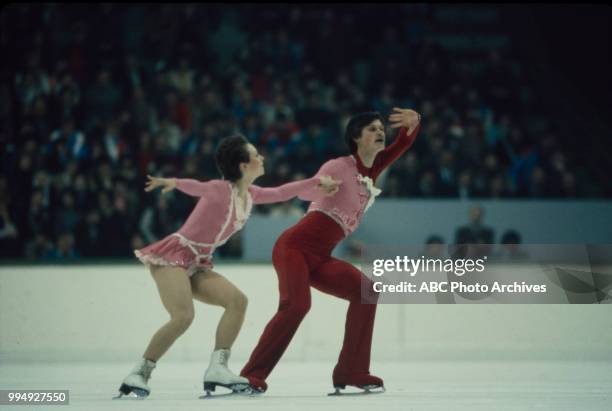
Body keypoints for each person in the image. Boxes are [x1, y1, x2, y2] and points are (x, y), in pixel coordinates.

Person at [116, 134, 340, 398]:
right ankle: (139, 374)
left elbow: (282, 192)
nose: (262, 157)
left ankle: (218, 368)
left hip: (198, 262)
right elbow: (197, 187)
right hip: (174, 256)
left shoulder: (251, 194)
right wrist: (172, 182)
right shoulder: (220, 189)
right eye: (256, 154)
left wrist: (317, 183)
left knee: (237, 301)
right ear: (244, 165)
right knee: (183, 316)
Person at [240, 107, 421, 393]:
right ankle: (252, 375)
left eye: (380, 128)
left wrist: (413, 124)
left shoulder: (373, 169)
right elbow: (305, 193)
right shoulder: (338, 166)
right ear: (356, 138)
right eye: (372, 129)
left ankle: (352, 371)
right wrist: (319, 187)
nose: (379, 131)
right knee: (297, 306)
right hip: (294, 248)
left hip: (322, 257)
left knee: (367, 291)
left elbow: (403, 144)